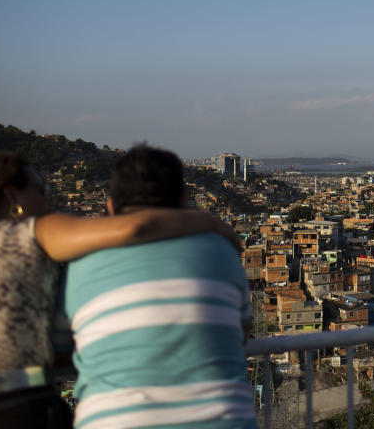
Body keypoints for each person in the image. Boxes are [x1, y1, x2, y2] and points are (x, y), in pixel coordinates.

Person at [0, 151, 238, 428]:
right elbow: (136, 225)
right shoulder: (29, 231)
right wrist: (210, 224)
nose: (48, 202)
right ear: (12, 196)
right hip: (12, 408)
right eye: (41, 191)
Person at [63, 145, 258, 429]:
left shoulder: (81, 262)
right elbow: (241, 333)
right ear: (183, 202)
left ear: (110, 206)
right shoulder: (220, 250)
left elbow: (69, 340)